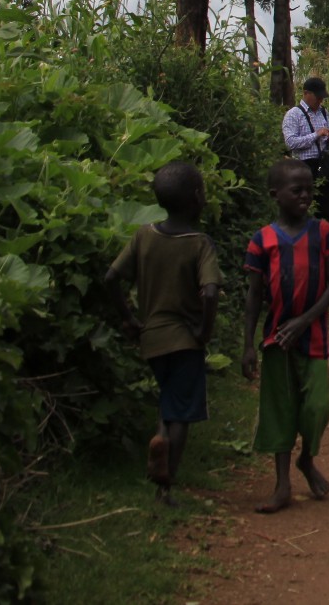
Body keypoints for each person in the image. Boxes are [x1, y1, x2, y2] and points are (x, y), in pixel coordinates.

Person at [106, 161, 221, 506]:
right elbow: (211, 291)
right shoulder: (199, 244)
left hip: (152, 339)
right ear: (198, 198)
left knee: (169, 399)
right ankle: (165, 484)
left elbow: (111, 279)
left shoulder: (144, 235)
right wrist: (204, 330)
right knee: (182, 413)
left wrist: (128, 318)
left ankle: (159, 438)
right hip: (185, 340)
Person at [241, 158, 329, 514]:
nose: (305, 196)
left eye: (309, 191)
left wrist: (304, 320)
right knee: (279, 411)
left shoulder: (324, 232)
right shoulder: (262, 240)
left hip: (312, 337)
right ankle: (282, 484)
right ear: (276, 194)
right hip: (275, 340)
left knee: (318, 406)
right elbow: (254, 296)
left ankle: (307, 458)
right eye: (296, 190)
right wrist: (247, 347)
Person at [281, 76, 329, 226]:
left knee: (325, 204)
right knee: (304, 204)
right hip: (303, 166)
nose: (320, 100)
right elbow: (291, 143)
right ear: (306, 93)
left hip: (321, 164)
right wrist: (316, 135)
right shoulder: (293, 115)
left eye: (322, 97)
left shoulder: (324, 113)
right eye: (317, 97)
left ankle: (325, 239)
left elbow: (325, 142)